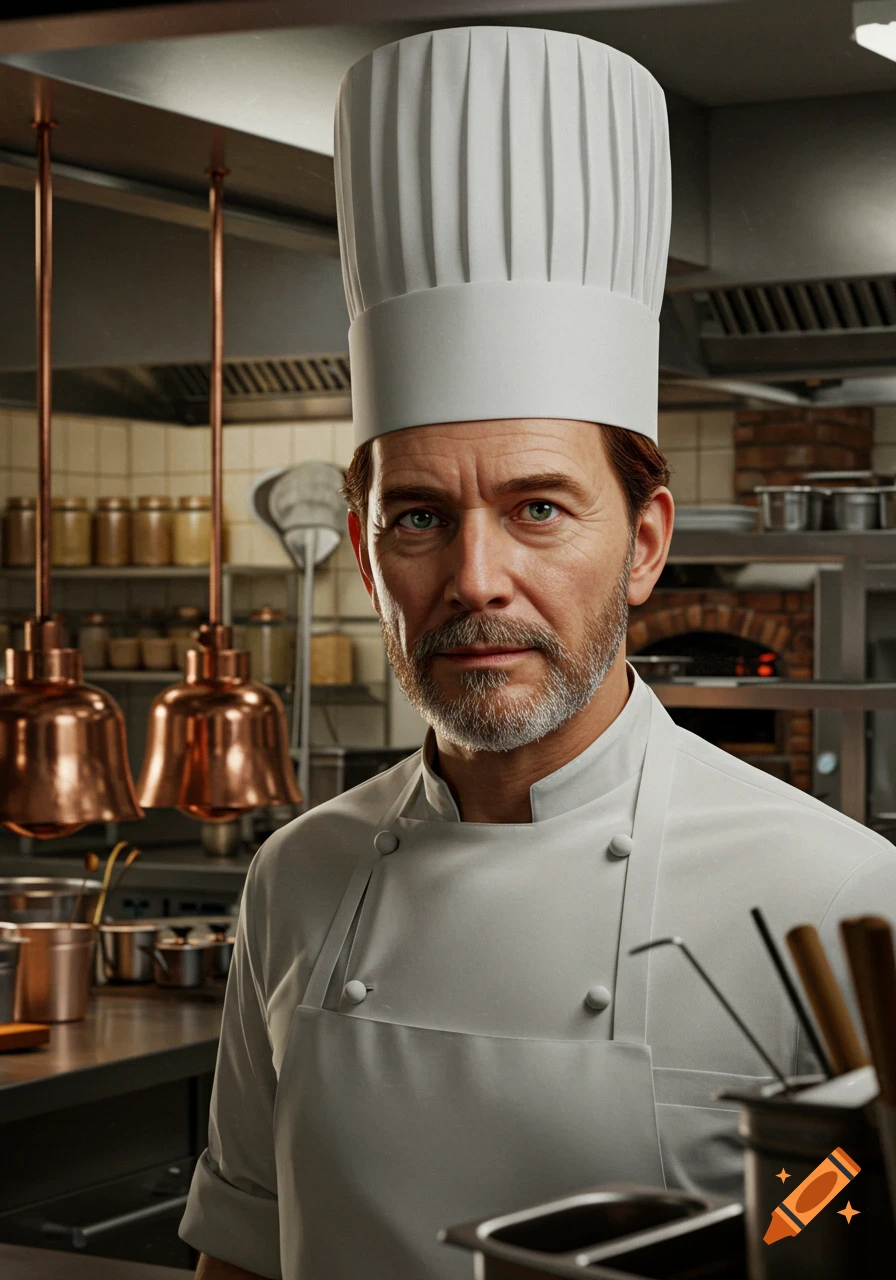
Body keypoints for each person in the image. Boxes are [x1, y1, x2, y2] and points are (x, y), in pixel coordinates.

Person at [181, 26, 896, 1280]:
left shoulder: (837, 900)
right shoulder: (295, 877)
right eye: (418, 516)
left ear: (644, 542)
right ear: (362, 546)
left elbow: (846, 1236)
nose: (472, 579)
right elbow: (242, 1248)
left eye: (538, 507)